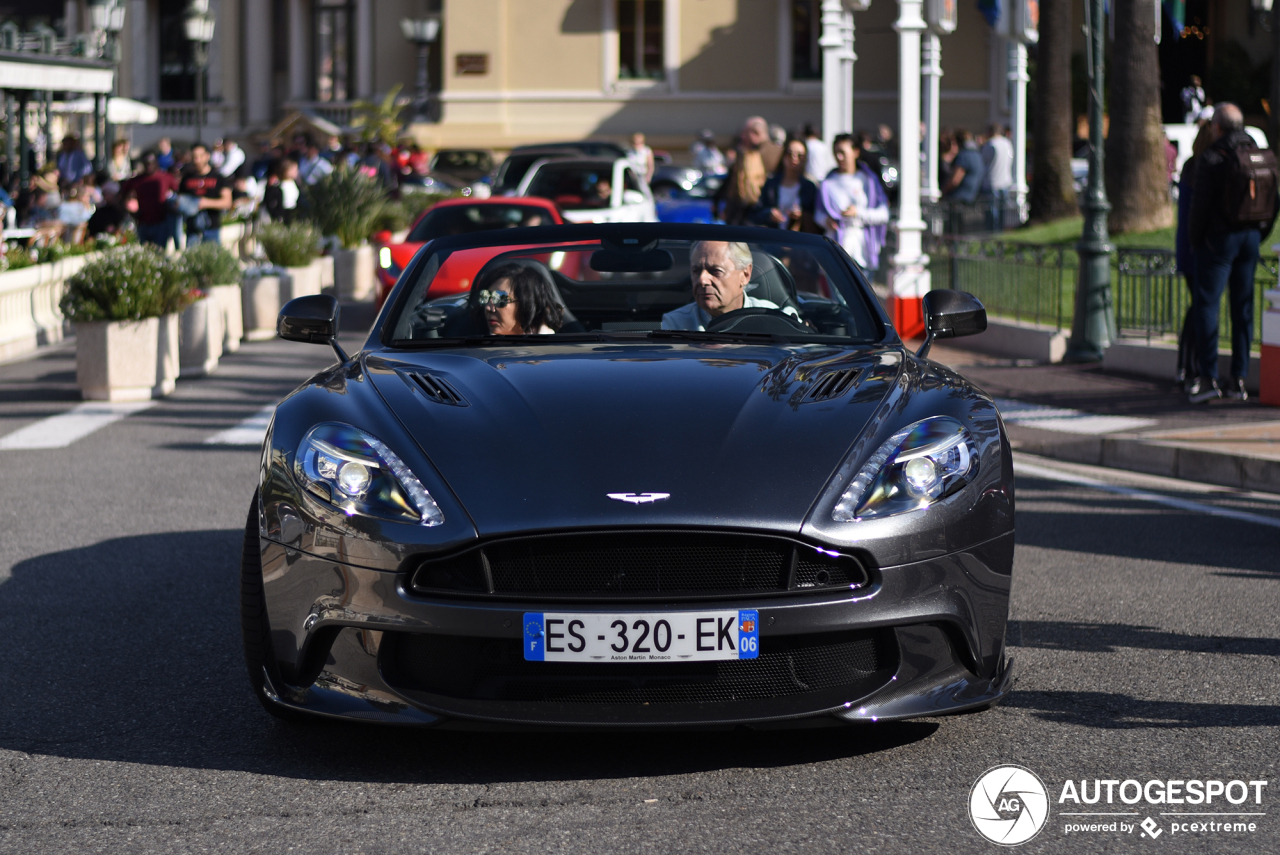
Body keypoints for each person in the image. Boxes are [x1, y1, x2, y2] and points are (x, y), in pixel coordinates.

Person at [1186, 103, 1280, 403]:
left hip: (1218, 241)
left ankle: (1208, 377)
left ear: (1217, 127)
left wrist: (1196, 241)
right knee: (1243, 308)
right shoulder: (1259, 154)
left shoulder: (1213, 157)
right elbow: (1274, 201)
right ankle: (1238, 380)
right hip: (1250, 238)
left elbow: (1198, 208)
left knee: (1207, 305)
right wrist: (1260, 232)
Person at [661, 240, 799, 330]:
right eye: (696, 271)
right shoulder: (676, 324)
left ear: (745, 275)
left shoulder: (776, 319)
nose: (702, 280)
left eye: (715, 271)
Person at [1174, 120, 1215, 388]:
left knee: (1198, 306)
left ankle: (1186, 363)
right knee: (1200, 307)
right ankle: (1189, 364)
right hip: (1196, 248)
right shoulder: (1202, 168)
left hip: (1187, 247)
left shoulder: (1191, 166)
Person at [817, 134, 890, 270]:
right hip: (835, 248)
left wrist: (857, 213)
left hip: (863, 251)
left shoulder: (868, 181)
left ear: (856, 152)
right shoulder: (828, 182)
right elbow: (818, 213)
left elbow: (884, 214)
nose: (839, 157)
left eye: (843, 152)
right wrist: (826, 220)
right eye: (836, 152)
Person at [715, 117, 783, 226]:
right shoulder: (780, 152)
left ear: (756, 133)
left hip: (755, 215)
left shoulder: (750, 155)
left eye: (745, 134)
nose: (743, 137)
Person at [474, 263, 564, 335]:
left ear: (527, 304)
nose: (488, 308)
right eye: (485, 296)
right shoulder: (473, 347)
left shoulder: (553, 352)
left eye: (500, 298)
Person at [754, 136, 819, 233]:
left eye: (800, 155)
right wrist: (770, 214)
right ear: (783, 156)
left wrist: (802, 216)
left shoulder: (809, 187)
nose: (794, 159)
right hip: (773, 239)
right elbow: (756, 213)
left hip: (800, 242)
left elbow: (817, 221)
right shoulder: (771, 184)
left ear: (805, 159)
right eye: (790, 154)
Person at [178, 142, 234, 246]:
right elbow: (180, 199)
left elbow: (227, 202)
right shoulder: (187, 178)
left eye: (200, 156)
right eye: (194, 157)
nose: (197, 160)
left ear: (207, 156)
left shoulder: (218, 177)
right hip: (192, 229)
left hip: (211, 228)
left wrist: (205, 203)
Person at [122, 152, 181, 249]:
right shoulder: (137, 180)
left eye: (151, 162)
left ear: (156, 163)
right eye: (146, 163)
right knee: (145, 253)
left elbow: (178, 194)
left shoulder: (165, 177)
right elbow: (122, 195)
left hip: (161, 222)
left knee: (159, 251)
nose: (149, 165)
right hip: (143, 222)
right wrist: (131, 210)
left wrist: (172, 207)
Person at [980, 123, 1014, 231]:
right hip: (1005, 182)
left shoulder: (990, 145)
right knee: (1002, 213)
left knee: (992, 214)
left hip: (992, 182)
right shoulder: (1007, 143)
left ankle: (993, 234)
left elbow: (983, 162)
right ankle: (1000, 232)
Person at [942, 128, 984, 205]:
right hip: (972, 197)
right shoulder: (977, 154)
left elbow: (955, 181)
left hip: (959, 199)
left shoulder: (964, 155)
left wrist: (943, 192)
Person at [263, 157, 300, 224]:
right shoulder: (277, 186)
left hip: (292, 212)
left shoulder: (293, 183)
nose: (296, 172)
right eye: (294, 170)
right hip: (282, 214)